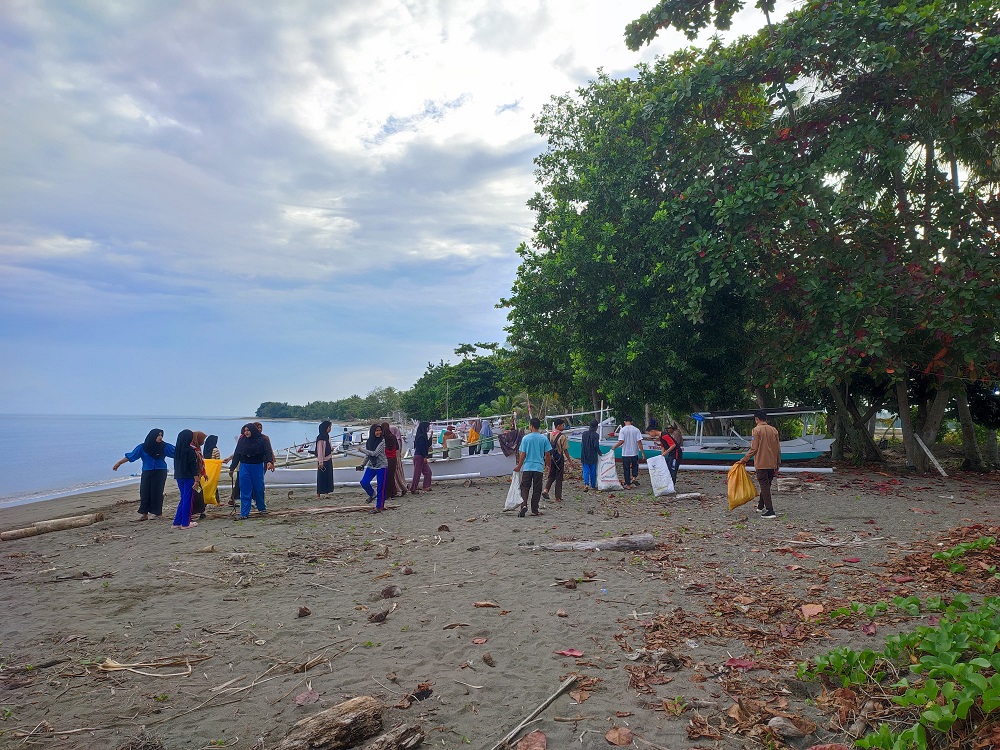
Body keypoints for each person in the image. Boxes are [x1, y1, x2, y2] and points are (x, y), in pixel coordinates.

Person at [113, 428, 176, 521]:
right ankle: (144, 514)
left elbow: (177, 452)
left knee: (157, 492)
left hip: (160, 471)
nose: (160, 437)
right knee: (144, 492)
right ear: (152, 436)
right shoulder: (142, 447)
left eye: (161, 435)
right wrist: (118, 463)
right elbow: (131, 456)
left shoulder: (165, 446)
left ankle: (158, 513)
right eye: (158, 435)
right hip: (147, 471)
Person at [738, 410, 781, 519]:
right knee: (766, 485)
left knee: (764, 485)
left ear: (756, 419)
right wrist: (778, 463)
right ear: (765, 419)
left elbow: (754, 448)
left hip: (761, 463)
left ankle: (770, 510)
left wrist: (744, 459)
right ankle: (760, 506)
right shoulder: (774, 430)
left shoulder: (756, 430)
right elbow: (778, 448)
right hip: (772, 463)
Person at [229, 423, 274, 520]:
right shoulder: (242, 440)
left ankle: (261, 507)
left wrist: (270, 462)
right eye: (245, 430)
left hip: (257, 466)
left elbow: (267, 451)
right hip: (244, 466)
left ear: (253, 430)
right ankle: (244, 513)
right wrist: (232, 468)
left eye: (248, 430)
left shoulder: (262, 440)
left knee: (259, 488)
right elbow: (237, 454)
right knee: (245, 489)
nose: (246, 432)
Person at [514, 417, 551, 518]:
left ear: (531, 426)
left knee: (525, 487)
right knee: (537, 489)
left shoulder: (526, 438)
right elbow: (547, 454)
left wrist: (519, 466)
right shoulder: (543, 438)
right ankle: (534, 509)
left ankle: (524, 505)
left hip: (527, 467)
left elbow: (523, 454)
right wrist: (548, 465)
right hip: (538, 467)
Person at [172, 429, 202, 529]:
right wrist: (197, 480)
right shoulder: (190, 450)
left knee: (183, 498)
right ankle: (185, 523)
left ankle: (177, 522)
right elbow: (193, 466)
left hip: (179, 477)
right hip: (188, 478)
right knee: (188, 499)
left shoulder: (177, 451)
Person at [543, 418, 575, 502]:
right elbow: (565, 450)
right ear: (558, 426)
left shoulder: (549, 435)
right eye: (563, 425)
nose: (563, 427)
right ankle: (557, 497)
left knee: (551, 475)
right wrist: (570, 461)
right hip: (559, 459)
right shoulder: (562, 436)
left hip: (550, 458)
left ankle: (546, 490)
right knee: (559, 478)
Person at [359, 424, 388, 513]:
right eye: (376, 431)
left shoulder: (382, 442)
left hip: (381, 466)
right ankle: (372, 494)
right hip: (372, 465)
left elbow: (374, 453)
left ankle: (379, 507)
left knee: (381, 487)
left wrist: (361, 450)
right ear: (372, 432)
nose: (378, 432)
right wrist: (362, 465)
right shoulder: (369, 441)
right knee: (364, 482)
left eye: (379, 430)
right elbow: (368, 455)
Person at [612, 416, 643, 489]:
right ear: (631, 422)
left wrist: (614, 446)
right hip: (634, 452)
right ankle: (634, 477)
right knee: (635, 466)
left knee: (626, 468)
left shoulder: (623, 430)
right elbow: (639, 442)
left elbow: (621, 441)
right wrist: (642, 452)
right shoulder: (636, 430)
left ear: (624, 421)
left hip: (625, 453)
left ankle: (628, 485)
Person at [410, 421, 433, 493]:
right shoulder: (421, 437)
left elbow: (427, 445)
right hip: (419, 456)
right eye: (428, 427)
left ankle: (426, 486)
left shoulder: (423, 436)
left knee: (428, 472)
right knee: (417, 473)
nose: (429, 428)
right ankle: (413, 488)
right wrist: (424, 457)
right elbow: (421, 448)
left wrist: (431, 436)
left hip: (420, 456)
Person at [191, 431, 209, 520]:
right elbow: (194, 464)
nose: (203, 442)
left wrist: (204, 473)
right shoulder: (192, 449)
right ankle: (194, 512)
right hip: (193, 477)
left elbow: (201, 462)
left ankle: (201, 511)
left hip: (198, 475)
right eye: (202, 439)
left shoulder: (198, 448)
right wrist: (196, 478)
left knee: (199, 493)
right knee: (195, 494)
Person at [580, 419, 601, 492]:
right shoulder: (596, 435)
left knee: (585, 470)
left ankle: (586, 484)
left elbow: (582, 444)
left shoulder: (584, 434)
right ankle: (593, 485)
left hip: (584, 454)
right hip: (593, 455)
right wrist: (599, 452)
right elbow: (596, 446)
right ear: (596, 427)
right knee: (593, 470)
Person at [316, 420, 334, 498]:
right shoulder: (321, 438)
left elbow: (329, 446)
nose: (330, 429)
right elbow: (320, 450)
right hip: (323, 460)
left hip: (329, 458)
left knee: (328, 477)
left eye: (330, 427)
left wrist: (331, 448)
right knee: (321, 477)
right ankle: (318, 493)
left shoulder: (327, 436)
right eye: (329, 427)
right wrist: (320, 462)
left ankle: (327, 492)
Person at [389, 423, 408, 497]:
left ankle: (398, 488)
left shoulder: (391, 440)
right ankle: (402, 487)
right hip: (398, 460)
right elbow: (399, 449)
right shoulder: (398, 440)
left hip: (394, 460)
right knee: (399, 473)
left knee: (395, 474)